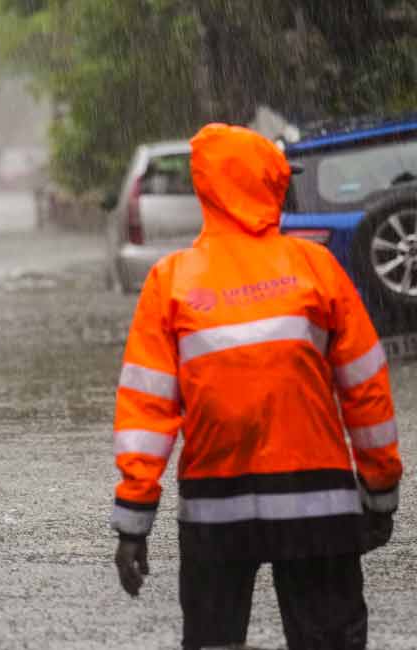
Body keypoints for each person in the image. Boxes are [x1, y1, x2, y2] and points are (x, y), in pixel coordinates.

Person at [109, 123, 403, 649]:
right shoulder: (316, 268)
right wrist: (380, 495)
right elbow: (367, 393)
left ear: (206, 191)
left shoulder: (170, 281)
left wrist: (134, 523)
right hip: (320, 505)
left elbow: (147, 410)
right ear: (270, 183)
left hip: (214, 509)